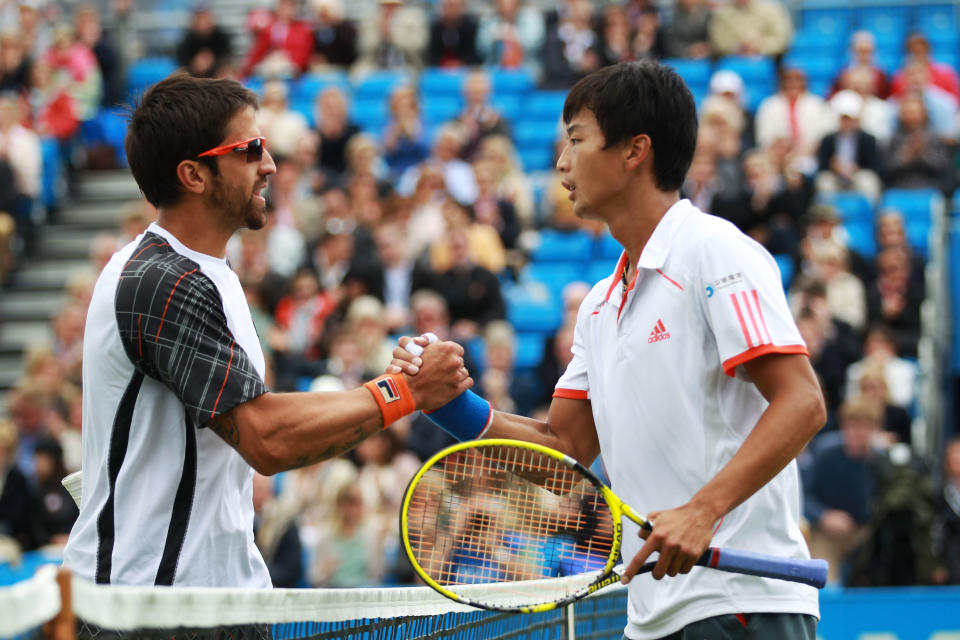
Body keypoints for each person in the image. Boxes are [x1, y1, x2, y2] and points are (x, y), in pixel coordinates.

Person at [392, 61, 825, 639]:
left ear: (634, 151)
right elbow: (564, 449)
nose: (561, 163)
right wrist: (447, 405)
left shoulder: (716, 252)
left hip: (740, 604)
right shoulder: (600, 305)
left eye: (576, 140)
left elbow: (802, 402)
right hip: (649, 619)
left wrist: (704, 509)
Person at [61, 73, 470, 588]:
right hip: (145, 611)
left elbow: (267, 419)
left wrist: (389, 389)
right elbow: (267, 438)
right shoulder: (161, 280)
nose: (270, 164)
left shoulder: (208, 273)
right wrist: (401, 392)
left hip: (206, 601)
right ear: (194, 174)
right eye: (250, 149)